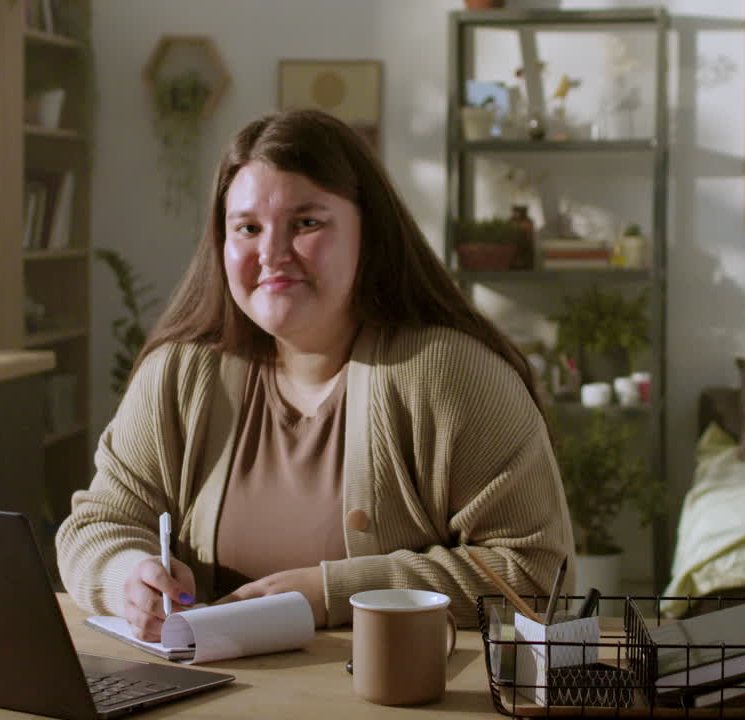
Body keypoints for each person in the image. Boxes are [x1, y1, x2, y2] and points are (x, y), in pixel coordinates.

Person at [56, 108, 574, 642]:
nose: (273, 254)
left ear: (367, 233)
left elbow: (536, 577)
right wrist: (129, 578)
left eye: (306, 223)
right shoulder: (181, 374)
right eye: (248, 228)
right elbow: (95, 527)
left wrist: (329, 595)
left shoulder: (449, 374)